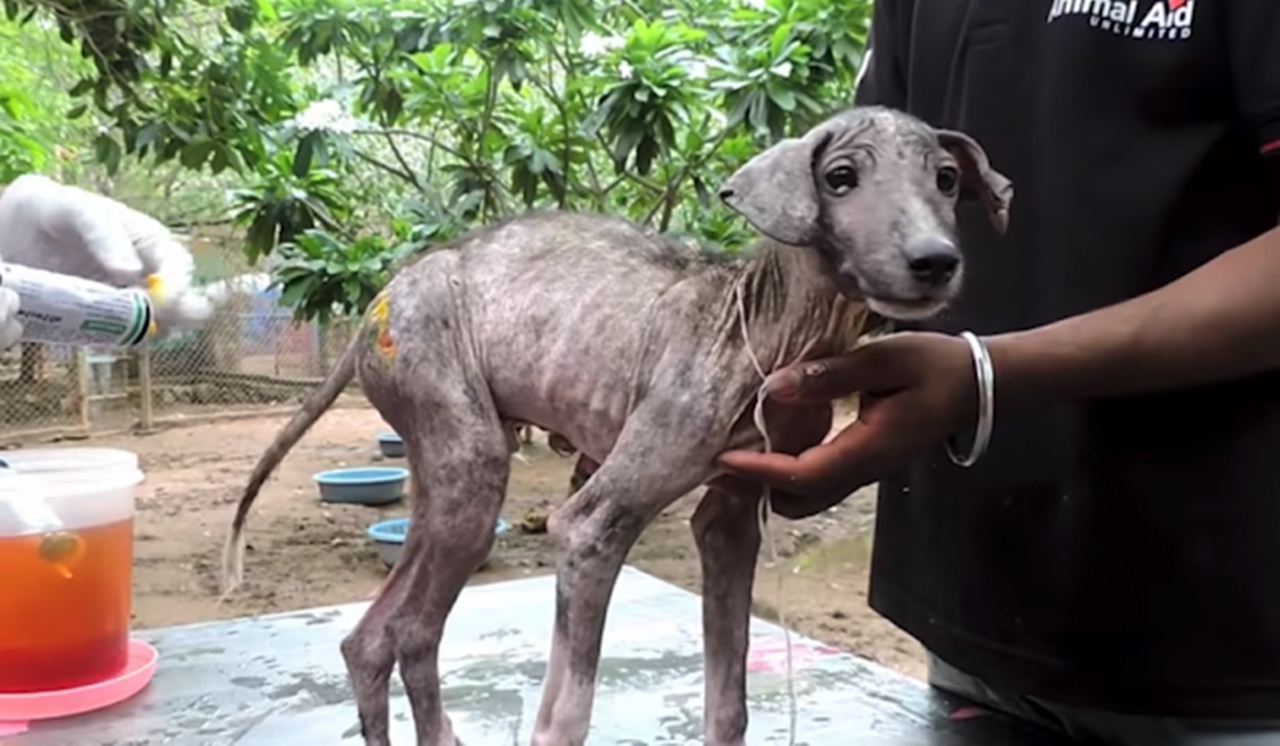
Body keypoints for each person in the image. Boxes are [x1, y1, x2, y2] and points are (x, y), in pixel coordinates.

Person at [717, 1, 1280, 744]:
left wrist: (987, 374)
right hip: (974, 615)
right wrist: (768, 382)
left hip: (1226, 637)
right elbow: (877, 203)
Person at [0, 174, 211, 349]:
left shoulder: (35, 203)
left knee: (171, 302)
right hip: (112, 284)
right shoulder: (26, 208)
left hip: (129, 276)